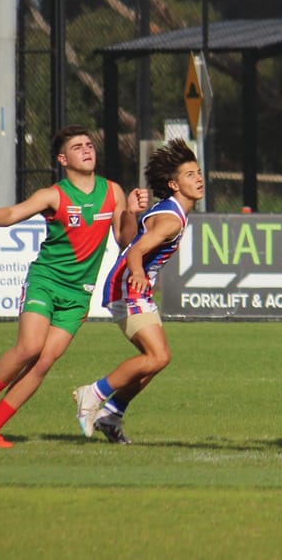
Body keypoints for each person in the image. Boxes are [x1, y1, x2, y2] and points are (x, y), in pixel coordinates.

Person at [0, 125, 145, 448]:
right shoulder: (52, 195)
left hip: (77, 295)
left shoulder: (112, 192)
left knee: (44, 362)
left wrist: (133, 214)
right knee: (29, 348)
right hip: (45, 281)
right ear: (62, 159)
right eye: (77, 147)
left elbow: (124, 239)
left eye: (89, 145)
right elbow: (13, 213)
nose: (87, 150)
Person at [73, 138, 204, 444]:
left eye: (198, 172)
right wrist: (138, 273)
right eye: (189, 175)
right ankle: (92, 394)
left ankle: (112, 414)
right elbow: (135, 253)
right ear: (173, 184)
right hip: (127, 289)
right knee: (157, 357)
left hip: (133, 289)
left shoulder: (170, 211)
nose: (198, 179)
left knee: (153, 359)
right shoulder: (171, 219)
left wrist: (131, 216)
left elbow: (130, 241)